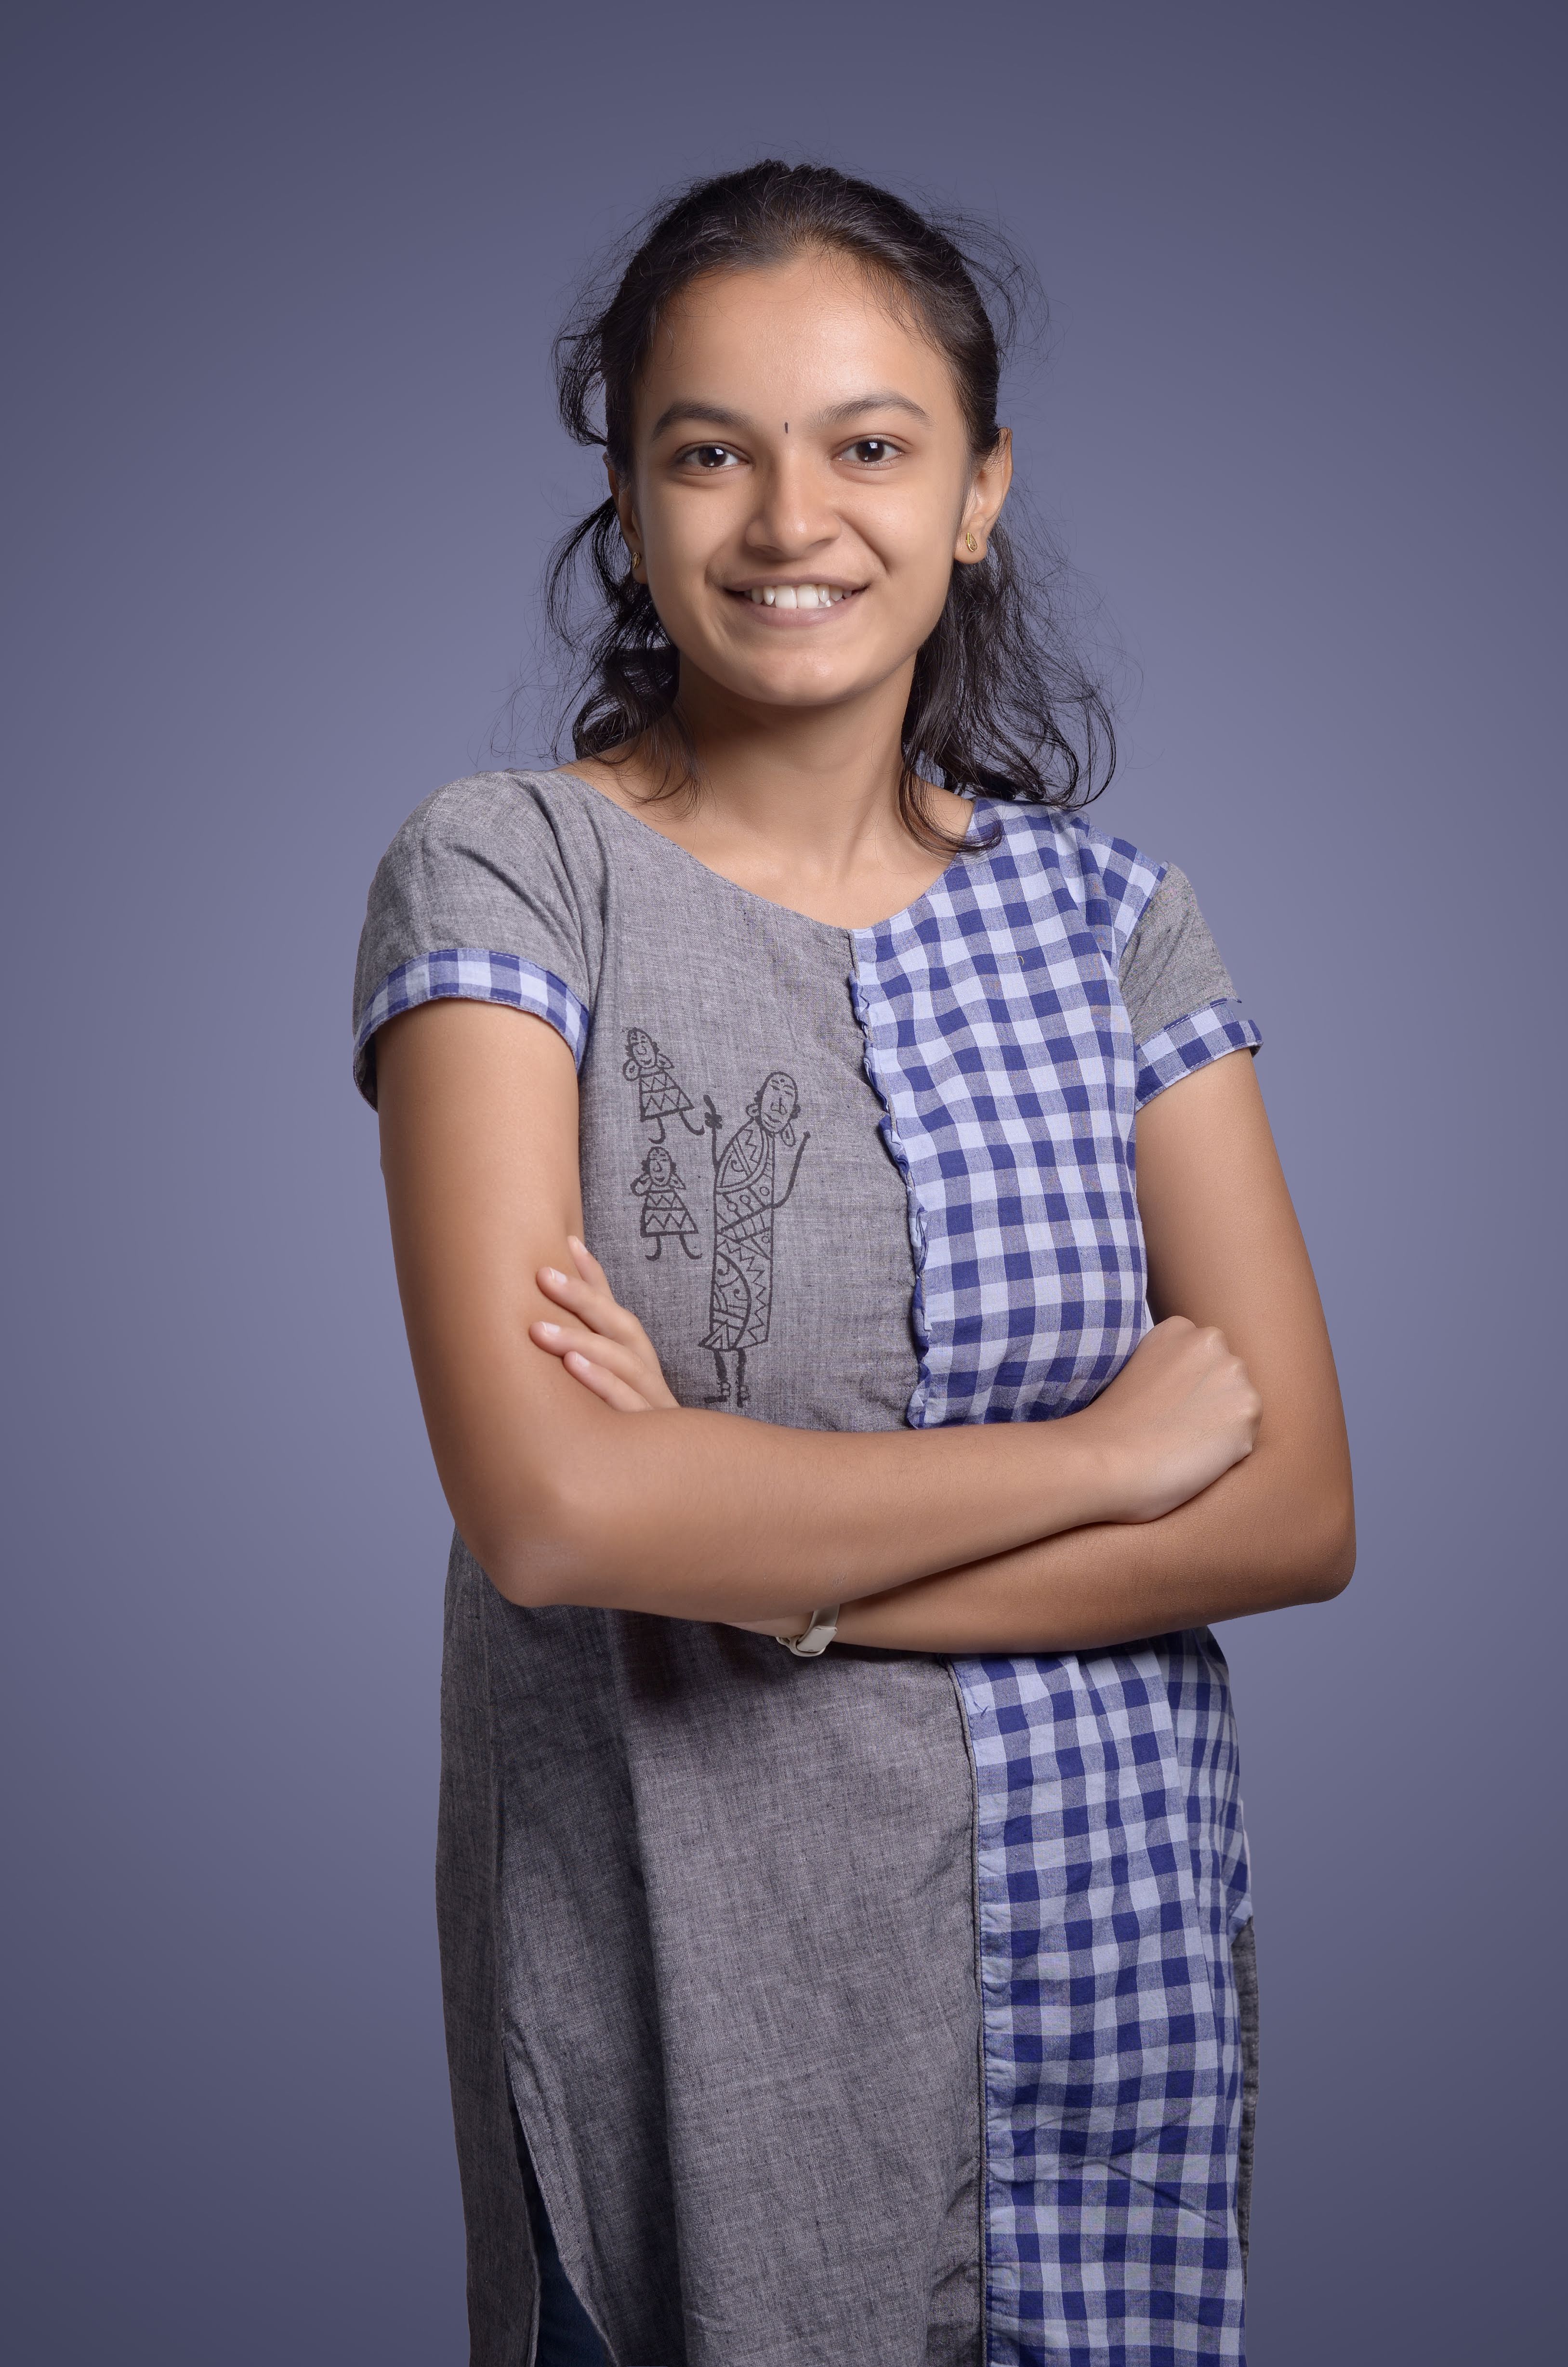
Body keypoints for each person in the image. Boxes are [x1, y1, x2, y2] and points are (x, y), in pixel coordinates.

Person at [352, 161, 1353, 2367]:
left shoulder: (1115, 926)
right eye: (710, 451)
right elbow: (556, 1508)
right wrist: (1099, 1459)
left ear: (977, 493)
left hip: (1100, 1963)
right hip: (699, 1996)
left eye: (869, 445)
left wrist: (764, 1558)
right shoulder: (511, 872)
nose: (790, 519)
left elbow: (1291, 1507)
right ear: (631, 504)